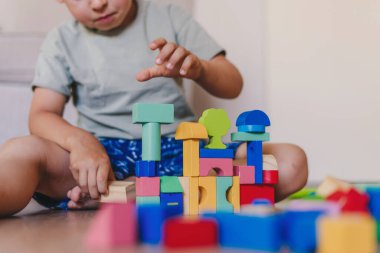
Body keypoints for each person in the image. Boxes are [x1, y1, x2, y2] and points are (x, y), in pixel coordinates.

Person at [0, 0, 307, 217]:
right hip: (102, 159)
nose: (98, 3)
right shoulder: (61, 41)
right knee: (21, 151)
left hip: (184, 153)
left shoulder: (171, 17)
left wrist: (199, 68)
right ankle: (131, 192)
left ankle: (130, 196)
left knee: (290, 162)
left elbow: (233, 84)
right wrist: (81, 142)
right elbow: (41, 115)